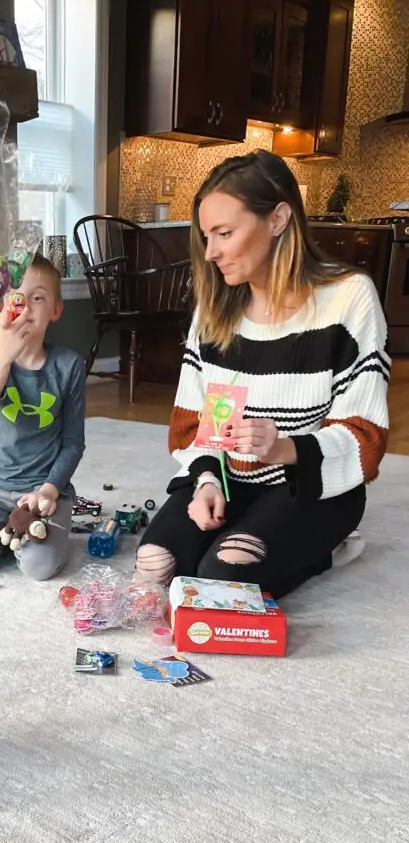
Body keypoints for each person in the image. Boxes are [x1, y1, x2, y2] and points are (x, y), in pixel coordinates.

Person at [136, 149, 390, 599]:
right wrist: (207, 482)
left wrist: (283, 447)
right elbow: (195, 426)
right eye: (206, 236)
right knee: (158, 565)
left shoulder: (349, 298)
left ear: (277, 219)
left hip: (310, 485)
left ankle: (325, 549)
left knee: (219, 579)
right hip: (231, 479)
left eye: (224, 233)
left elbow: (365, 435)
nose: (210, 253)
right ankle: (248, 534)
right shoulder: (215, 311)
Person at [0, 254, 85, 581]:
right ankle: (6, 530)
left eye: (37, 298)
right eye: (15, 297)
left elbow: (72, 443)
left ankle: (22, 530)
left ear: (55, 310)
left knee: (39, 567)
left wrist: (50, 490)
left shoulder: (68, 366)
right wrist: (3, 355)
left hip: (43, 489)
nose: (25, 306)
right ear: (0, 307)